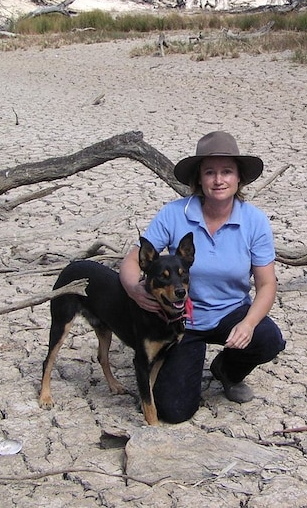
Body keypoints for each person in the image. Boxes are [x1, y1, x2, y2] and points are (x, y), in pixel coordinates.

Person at [119, 131, 286, 423]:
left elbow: (267, 283)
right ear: (199, 178)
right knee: (174, 410)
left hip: (230, 312)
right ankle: (180, 362)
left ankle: (227, 371)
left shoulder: (254, 221)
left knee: (268, 338)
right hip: (181, 320)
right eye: (210, 172)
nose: (218, 180)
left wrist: (247, 324)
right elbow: (132, 261)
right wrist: (135, 290)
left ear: (238, 179)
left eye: (226, 172)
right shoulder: (174, 214)